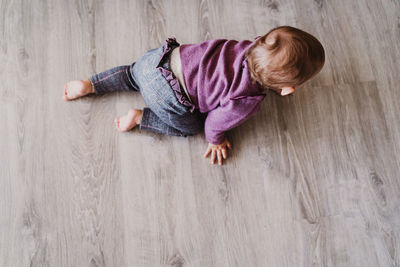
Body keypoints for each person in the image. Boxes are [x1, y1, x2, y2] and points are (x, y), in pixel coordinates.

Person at [64, 26, 325, 165]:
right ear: (287, 88)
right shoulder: (247, 99)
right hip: (169, 97)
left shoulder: (250, 47)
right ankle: (140, 118)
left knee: (131, 74)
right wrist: (216, 141)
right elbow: (215, 122)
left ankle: (90, 84)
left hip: (160, 59)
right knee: (191, 128)